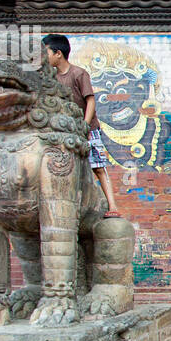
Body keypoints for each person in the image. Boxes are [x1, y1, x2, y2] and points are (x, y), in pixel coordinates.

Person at [42, 34, 121, 218]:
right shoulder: (51, 78)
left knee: (98, 167)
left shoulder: (78, 74)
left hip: (88, 129)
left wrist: (85, 126)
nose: (44, 57)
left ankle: (113, 205)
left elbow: (91, 102)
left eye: (46, 52)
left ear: (58, 53)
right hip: (65, 132)